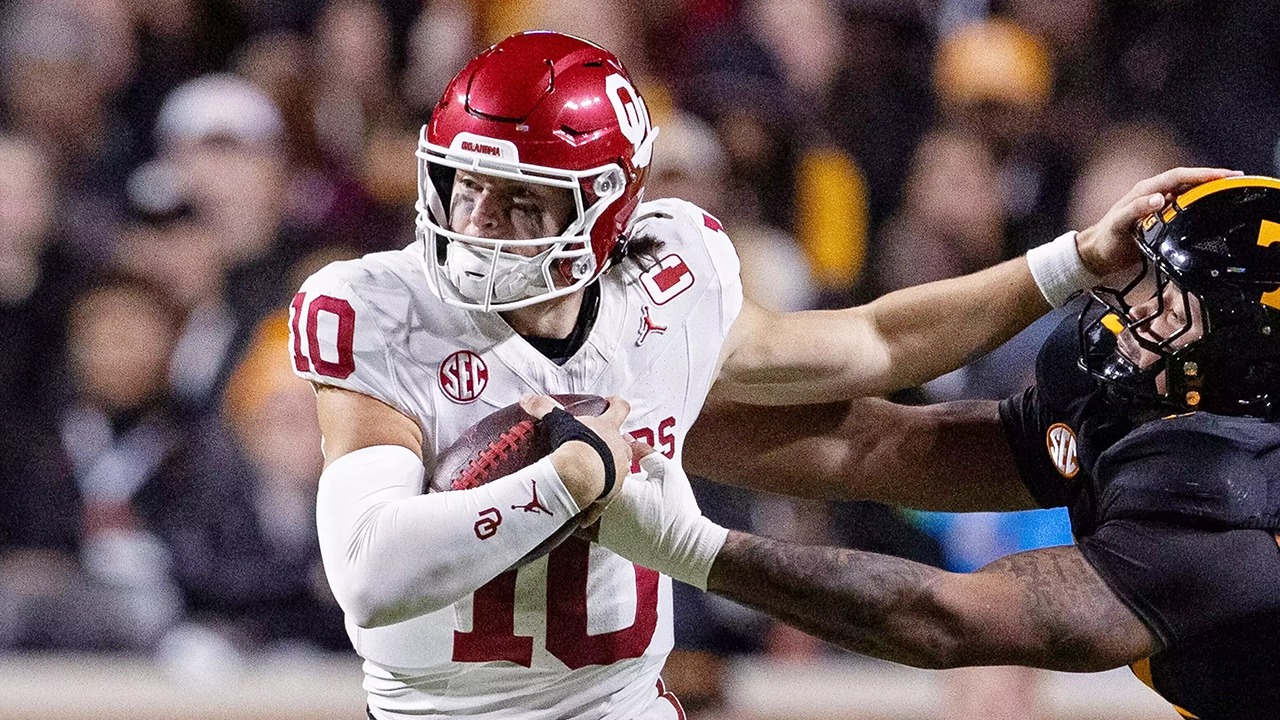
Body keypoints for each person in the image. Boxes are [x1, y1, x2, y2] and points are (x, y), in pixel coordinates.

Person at [287, 30, 1232, 719]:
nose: (476, 223)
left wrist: (1071, 261)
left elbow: (874, 344)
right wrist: (565, 483)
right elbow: (369, 572)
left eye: (520, 201)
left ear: (606, 210)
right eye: (464, 185)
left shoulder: (664, 287)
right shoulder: (381, 307)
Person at [603, 176, 1280, 720]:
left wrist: (684, 546)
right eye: (1151, 285)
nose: (1132, 318)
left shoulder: (1235, 499)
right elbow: (885, 444)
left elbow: (941, 619)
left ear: (1250, 351)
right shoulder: (1157, 407)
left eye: (1174, 306)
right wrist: (647, 419)